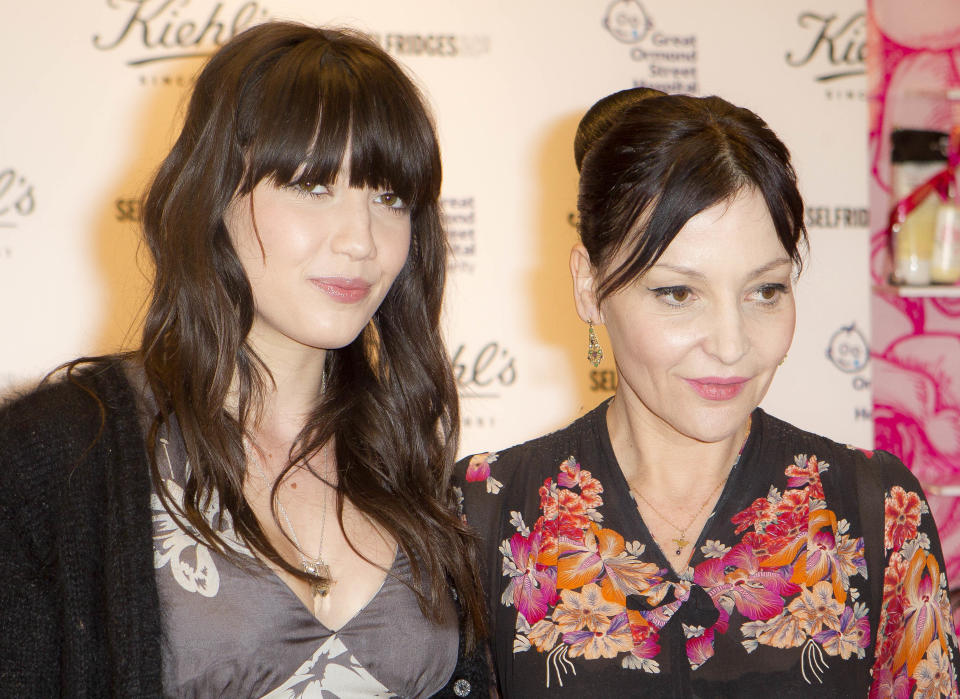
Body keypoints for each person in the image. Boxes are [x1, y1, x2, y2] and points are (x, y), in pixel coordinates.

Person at [0, 22, 488, 698]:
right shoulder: (55, 454)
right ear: (214, 193)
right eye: (313, 186)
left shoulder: (417, 462)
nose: (360, 240)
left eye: (389, 197)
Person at [456, 89, 960, 697]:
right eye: (677, 293)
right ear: (589, 286)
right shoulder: (486, 512)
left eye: (765, 291)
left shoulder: (877, 509)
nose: (731, 344)